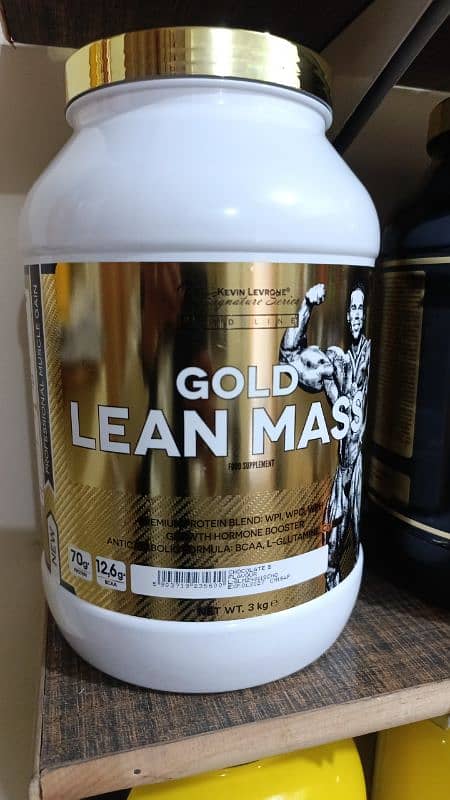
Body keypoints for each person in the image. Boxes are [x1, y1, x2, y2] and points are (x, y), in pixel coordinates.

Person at [279, 281, 370, 589]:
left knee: (346, 525)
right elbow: (290, 354)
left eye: (360, 308)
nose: (355, 315)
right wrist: (306, 304)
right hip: (347, 461)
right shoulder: (325, 363)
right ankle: (331, 576)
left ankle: (336, 576)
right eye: (352, 308)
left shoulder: (361, 355)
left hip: (356, 458)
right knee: (337, 519)